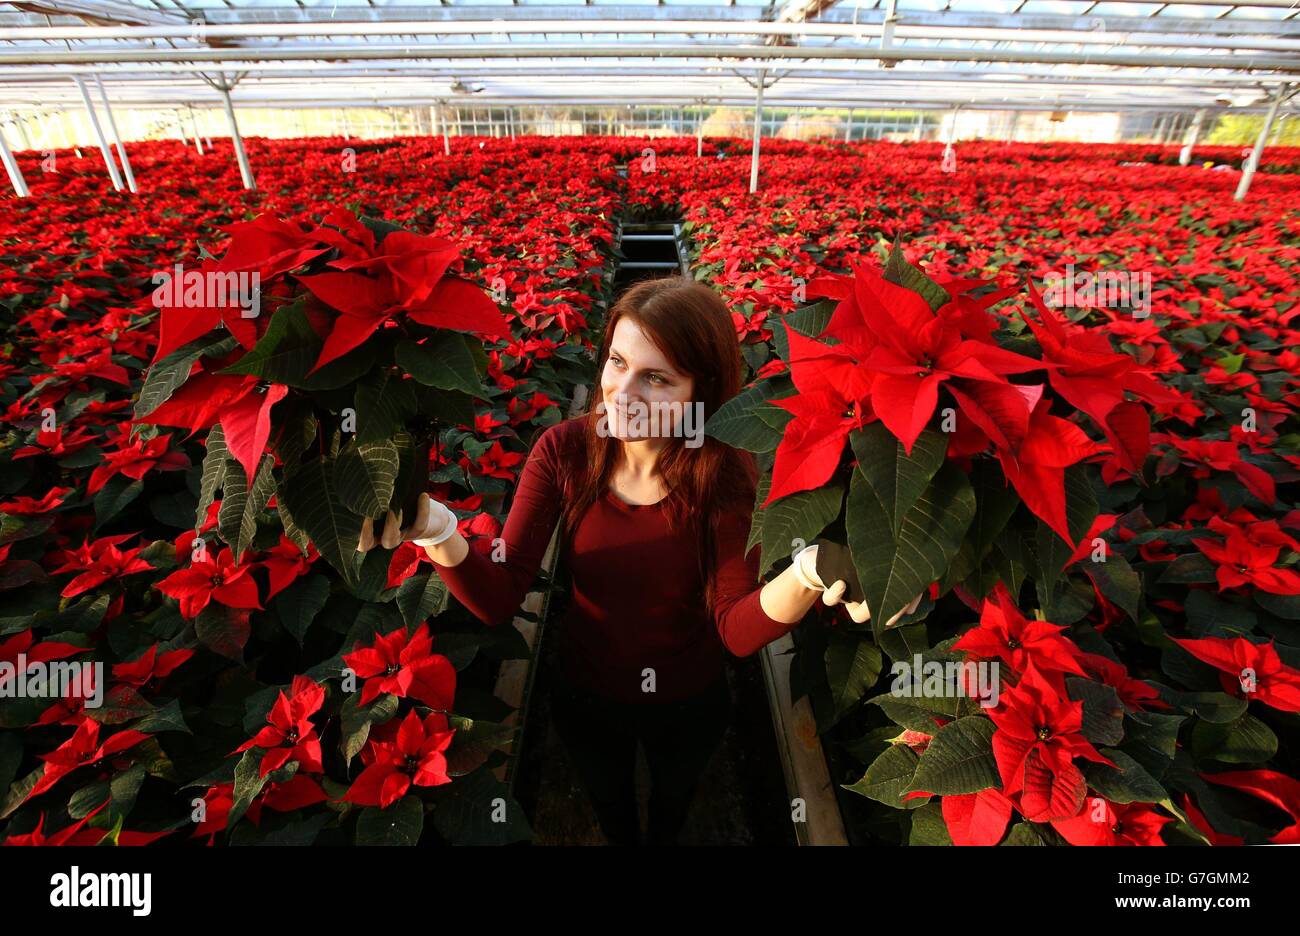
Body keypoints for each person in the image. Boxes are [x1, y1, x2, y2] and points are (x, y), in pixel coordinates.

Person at [360, 276, 918, 845]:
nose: (622, 393)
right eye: (617, 362)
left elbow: (735, 627)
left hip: (688, 697)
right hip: (586, 691)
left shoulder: (725, 475)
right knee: (612, 808)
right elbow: (500, 595)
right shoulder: (564, 451)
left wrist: (809, 570)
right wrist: (435, 528)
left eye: (656, 378)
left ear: (701, 395)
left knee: (673, 805)